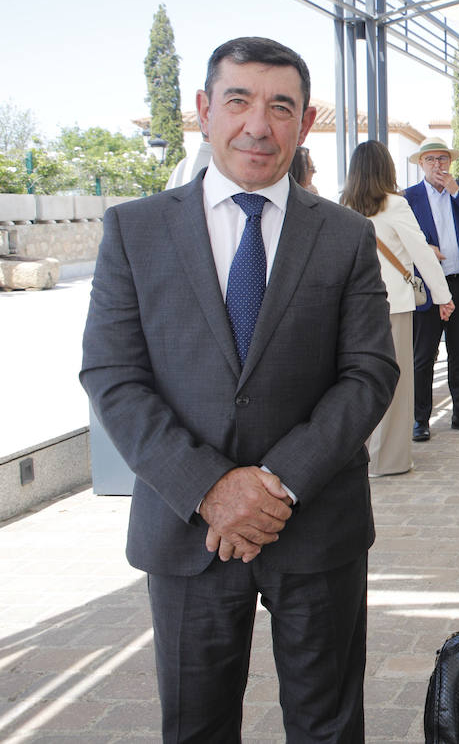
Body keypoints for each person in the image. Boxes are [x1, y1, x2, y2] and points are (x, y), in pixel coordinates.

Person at [80, 36, 398, 742]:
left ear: (306, 123)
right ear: (203, 110)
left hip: (316, 526)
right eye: (239, 101)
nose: (259, 124)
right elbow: (112, 372)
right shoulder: (135, 230)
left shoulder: (344, 236)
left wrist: (279, 481)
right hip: (187, 529)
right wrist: (211, 487)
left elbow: (370, 370)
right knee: (196, 727)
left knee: (328, 726)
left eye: (280, 107)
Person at [341, 140, 455, 477]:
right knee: (394, 382)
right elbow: (421, 252)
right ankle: (387, 459)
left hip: (353, 309)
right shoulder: (394, 205)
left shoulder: (342, 205)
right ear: (386, 169)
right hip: (392, 304)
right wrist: (443, 295)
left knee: (359, 381)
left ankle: (358, 454)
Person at [404, 136, 459, 440]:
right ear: (420, 164)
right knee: (424, 355)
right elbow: (400, 240)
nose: (437, 165)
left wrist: (456, 192)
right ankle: (420, 419)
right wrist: (423, 247)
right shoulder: (409, 197)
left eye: (442, 159)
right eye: (430, 160)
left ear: (450, 163)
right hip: (428, 287)